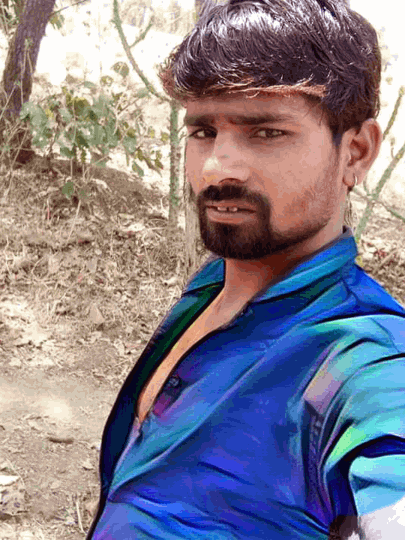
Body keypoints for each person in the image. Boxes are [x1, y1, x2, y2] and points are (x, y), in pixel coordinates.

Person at [87, 0, 405, 538]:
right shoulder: (214, 283)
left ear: (355, 152)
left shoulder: (364, 359)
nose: (216, 168)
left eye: (266, 132)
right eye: (203, 131)